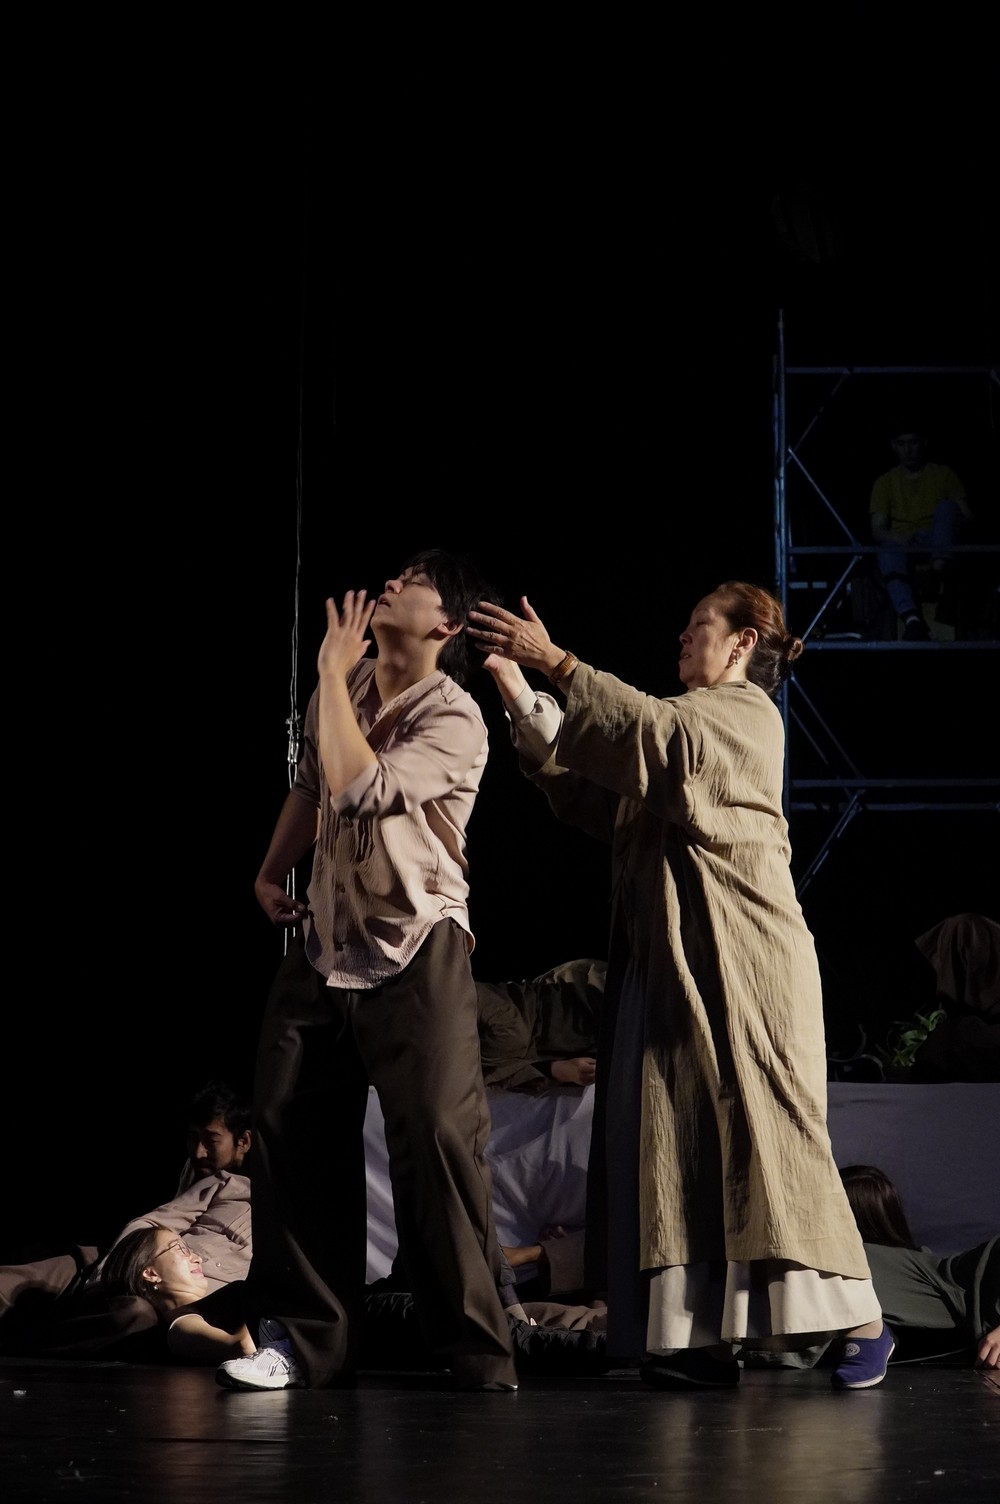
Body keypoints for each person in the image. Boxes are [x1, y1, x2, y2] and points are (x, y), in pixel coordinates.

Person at [467, 580, 892, 1391]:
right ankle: (698, 1339)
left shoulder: (744, 717)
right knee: (682, 1143)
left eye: (699, 625)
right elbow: (599, 789)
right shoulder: (678, 733)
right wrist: (517, 687)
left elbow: (658, 736)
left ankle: (866, 1320)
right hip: (679, 968)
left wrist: (558, 663)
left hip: (751, 968)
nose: (682, 638)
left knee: (774, 1142)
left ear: (741, 642)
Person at [217, 550, 518, 1395]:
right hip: (327, 944)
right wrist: (269, 870)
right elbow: (314, 786)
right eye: (396, 574)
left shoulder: (455, 717)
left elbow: (359, 789)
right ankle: (305, 1341)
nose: (392, 583)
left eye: (414, 583)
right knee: (287, 1125)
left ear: (445, 624)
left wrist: (325, 673)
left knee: (437, 1138)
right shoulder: (346, 687)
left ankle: (476, 1353)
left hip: (417, 946)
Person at [0, 1080, 253, 1359]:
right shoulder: (227, 1185)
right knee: (16, 1283)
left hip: (166, 1301)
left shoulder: (279, 1230)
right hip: (123, 1261)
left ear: (244, 1142)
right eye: (193, 1138)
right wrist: (111, 1274)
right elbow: (151, 1224)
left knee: (135, 1315)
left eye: (211, 1140)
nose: (198, 1152)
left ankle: (18, 1345)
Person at [869, 417, 972, 641]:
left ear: (923, 443)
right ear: (894, 446)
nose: (908, 450)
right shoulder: (885, 482)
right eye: (902, 444)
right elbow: (877, 529)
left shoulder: (943, 474)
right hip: (905, 542)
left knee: (947, 507)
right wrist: (900, 538)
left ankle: (939, 569)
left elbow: (967, 516)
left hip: (937, 538)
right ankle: (911, 619)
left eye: (913, 442)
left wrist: (945, 528)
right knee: (886, 549)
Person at [99, 1225, 255, 1364]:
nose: (198, 1259)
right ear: (151, 1273)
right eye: (181, 1249)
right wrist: (263, 1291)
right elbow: (244, 1348)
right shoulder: (179, 1322)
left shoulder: (212, 1304)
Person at [476, 956, 605, 1092]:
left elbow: (507, 1015)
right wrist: (558, 1070)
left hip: (559, 1001)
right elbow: (500, 1077)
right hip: (552, 1050)